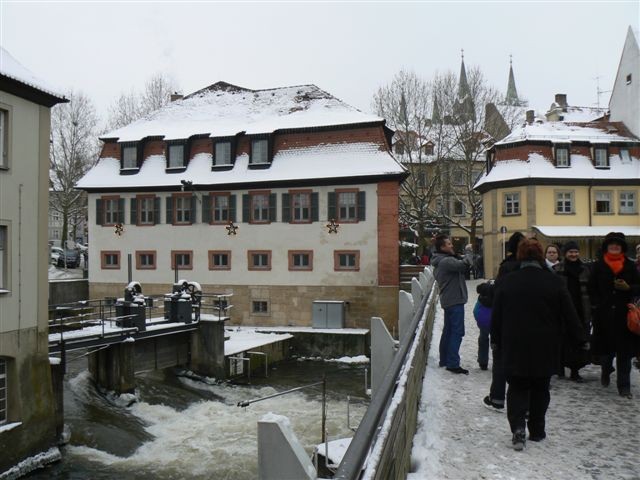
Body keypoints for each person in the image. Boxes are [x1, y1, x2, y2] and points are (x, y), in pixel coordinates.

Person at [491, 238, 587, 451]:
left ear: (520, 256)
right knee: (541, 387)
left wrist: (496, 341)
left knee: (517, 385)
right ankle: (537, 430)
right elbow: (570, 314)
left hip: (514, 342)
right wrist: (581, 339)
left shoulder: (508, 281)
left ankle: (517, 426)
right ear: (541, 256)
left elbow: (496, 316)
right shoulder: (554, 282)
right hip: (546, 343)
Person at [588, 232, 640, 398]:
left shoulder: (630, 266)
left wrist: (628, 288)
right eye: (612, 244)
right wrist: (597, 305)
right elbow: (591, 288)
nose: (615, 246)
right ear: (606, 246)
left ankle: (624, 388)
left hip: (624, 315)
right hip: (603, 315)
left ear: (622, 247)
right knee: (606, 351)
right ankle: (605, 370)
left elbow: (638, 286)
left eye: (618, 244)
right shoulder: (598, 266)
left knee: (624, 354)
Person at [482, 231, 524, 412]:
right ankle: (527, 403)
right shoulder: (538, 267)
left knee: (500, 359)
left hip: (507, 319)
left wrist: (486, 290)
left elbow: (498, 294)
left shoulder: (506, 267)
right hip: (531, 321)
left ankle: (498, 397)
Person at [431, 234, 473, 374]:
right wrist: (468, 251)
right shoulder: (446, 261)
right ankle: (453, 363)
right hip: (454, 301)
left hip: (449, 300)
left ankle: (445, 360)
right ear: (442, 247)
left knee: (448, 331)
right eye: (449, 244)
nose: (452, 245)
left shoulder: (442, 260)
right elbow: (465, 265)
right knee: (457, 332)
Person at [553, 241, 591, 381]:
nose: (573, 254)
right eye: (570, 252)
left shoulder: (585, 269)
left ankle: (575, 370)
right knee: (562, 340)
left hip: (581, 308)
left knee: (578, 340)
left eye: (575, 252)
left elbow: (590, 289)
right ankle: (560, 367)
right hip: (563, 310)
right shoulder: (557, 269)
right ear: (565, 254)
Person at [474, 280, 494, 370]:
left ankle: (483, 362)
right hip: (495, 322)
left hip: (483, 323)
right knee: (497, 342)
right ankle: (498, 362)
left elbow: (475, 311)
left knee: (483, 339)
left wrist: (479, 321)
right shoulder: (496, 298)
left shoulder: (481, 299)